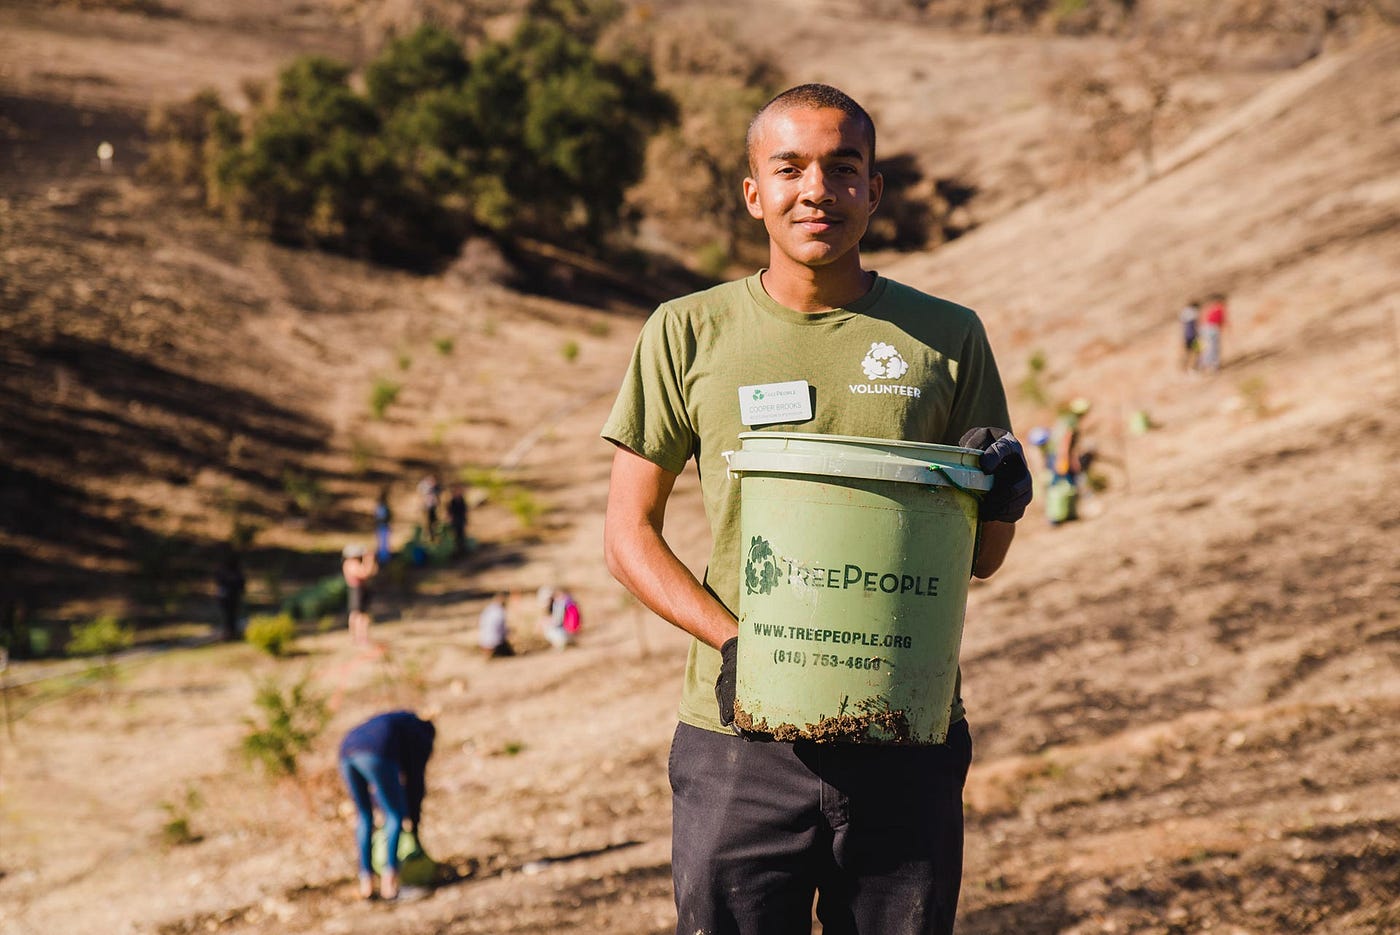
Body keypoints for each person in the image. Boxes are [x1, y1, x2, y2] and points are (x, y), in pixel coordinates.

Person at [601, 84, 1032, 935]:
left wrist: (1005, 498)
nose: (817, 190)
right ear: (754, 192)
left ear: (873, 189)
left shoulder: (947, 337)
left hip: (906, 734)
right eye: (789, 168)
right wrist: (734, 643)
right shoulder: (688, 331)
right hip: (738, 747)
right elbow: (627, 536)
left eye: (843, 169)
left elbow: (979, 556)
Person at [338, 710, 436, 901]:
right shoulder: (422, 735)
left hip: (345, 750)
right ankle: (389, 886)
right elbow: (415, 780)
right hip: (375, 752)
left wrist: (381, 802)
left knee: (364, 815)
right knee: (395, 816)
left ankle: (366, 885)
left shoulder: (401, 721)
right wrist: (413, 823)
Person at [342, 544, 379, 647]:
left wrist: (371, 562)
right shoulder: (350, 563)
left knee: (359, 615)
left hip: (361, 590)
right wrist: (369, 560)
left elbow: (372, 571)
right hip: (357, 591)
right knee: (359, 615)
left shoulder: (354, 563)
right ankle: (359, 637)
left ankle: (359, 637)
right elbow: (365, 573)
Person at [213, 549, 246, 642]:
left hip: (231, 597)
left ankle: (230, 633)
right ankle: (228, 633)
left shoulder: (233, 572)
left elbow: (241, 583)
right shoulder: (224, 571)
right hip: (227, 597)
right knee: (228, 616)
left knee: (231, 616)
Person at [478, 592, 514, 658]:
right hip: (495, 644)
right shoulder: (500, 612)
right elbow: (502, 632)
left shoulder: (488, 609)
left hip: (483, 642)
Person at [1199, 294, 1227, 372]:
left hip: (1205, 329)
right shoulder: (1220, 309)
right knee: (1214, 347)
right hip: (1213, 329)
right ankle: (1214, 365)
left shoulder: (1211, 308)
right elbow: (1222, 321)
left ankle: (1205, 365)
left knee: (1207, 347)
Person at [446, 483, 469, 556]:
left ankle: (462, 549)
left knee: (462, 535)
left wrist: (465, 519)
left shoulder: (462, 500)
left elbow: (465, 510)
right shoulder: (452, 501)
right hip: (455, 521)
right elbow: (450, 511)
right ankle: (457, 551)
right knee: (456, 536)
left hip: (461, 520)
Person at [417, 474, 440, 541]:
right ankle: (426, 536)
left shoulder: (435, 488)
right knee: (426, 523)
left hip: (433, 508)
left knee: (434, 522)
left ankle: (433, 536)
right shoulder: (424, 488)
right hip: (426, 508)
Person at [1179, 301, 1200, 372]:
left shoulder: (1184, 314)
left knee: (1187, 353)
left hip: (1186, 336)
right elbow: (1196, 326)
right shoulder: (1194, 314)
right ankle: (1193, 367)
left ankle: (1185, 368)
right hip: (1194, 336)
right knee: (1198, 351)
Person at [374, 487, 393, 563]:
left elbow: (389, 517)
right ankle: (382, 558)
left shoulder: (384, 507)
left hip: (384, 526)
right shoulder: (380, 507)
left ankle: (385, 558)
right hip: (381, 527)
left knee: (385, 543)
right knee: (381, 543)